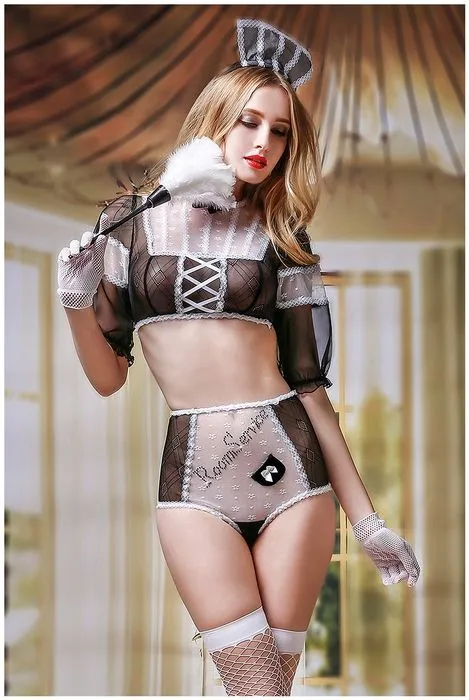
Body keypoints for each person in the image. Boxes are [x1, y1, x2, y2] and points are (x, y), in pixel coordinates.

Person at [57, 18, 420, 697]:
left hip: (294, 478)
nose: (263, 144)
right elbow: (108, 379)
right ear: (214, 121)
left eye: (280, 131)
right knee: (252, 684)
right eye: (249, 122)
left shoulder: (282, 235)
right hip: (193, 481)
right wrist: (76, 303)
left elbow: (310, 390)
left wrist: (368, 523)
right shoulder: (129, 227)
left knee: (265, 692)